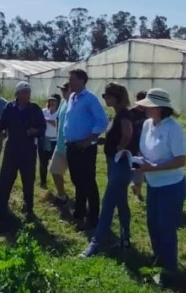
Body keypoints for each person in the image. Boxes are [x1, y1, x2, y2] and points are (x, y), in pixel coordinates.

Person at [136, 88, 186, 274]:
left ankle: (170, 267)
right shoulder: (147, 124)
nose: (146, 109)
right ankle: (158, 256)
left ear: (160, 108)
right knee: (153, 222)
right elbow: (143, 149)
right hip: (153, 183)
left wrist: (154, 168)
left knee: (166, 225)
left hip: (171, 185)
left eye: (149, 106)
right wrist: (140, 163)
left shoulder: (174, 129)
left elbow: (181, 160)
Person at [81, 83, 136, 257]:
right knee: (121, 203)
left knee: (108, 204)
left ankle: (95, 244)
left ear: (116, 98)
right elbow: (119, 135)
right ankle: (125, 240)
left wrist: (120, 149)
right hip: (116, 163)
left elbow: (127, 134)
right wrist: (105, 142)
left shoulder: (124, 115)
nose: (104, 99)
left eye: (107, 96)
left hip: (119, 164)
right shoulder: (118, 114)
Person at [0, 81, 46, 220]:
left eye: (29, 92)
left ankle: (28, 208)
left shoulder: (35, 108)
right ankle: (0, 209)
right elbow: (2, 124)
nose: (28, 94)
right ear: (17, 94)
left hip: (28, 151)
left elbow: (42, 128)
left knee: (28, 180)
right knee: (5, 179)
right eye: (25, 92)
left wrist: (35, 131)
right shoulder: (10, 107)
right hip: (12, 149)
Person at [61, 69, 109, 229]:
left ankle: (93, 216)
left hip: (84, 148)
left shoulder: (89, 99)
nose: (70, 82)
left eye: (73, 79)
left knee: (88, 181)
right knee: (77, 180)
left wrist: (89, 139)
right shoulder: (72, 97)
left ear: (82, 81)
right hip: (72, 146)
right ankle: (80, 212)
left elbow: (102, 120)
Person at [49, 82, 71, 203]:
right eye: (62, 89)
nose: (63, 92)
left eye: (65, 89)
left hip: (72, 146)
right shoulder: (63, 102)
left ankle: (81, 200)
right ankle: (62, 195)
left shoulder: (76, 104)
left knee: (77, 177)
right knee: (54, 170)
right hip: (60, 145)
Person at [38, 94, 61, 189]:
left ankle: (58, 183)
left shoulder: (59, 113)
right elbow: (39, 121)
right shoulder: (44, 111)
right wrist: (49, 121)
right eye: (50, 101)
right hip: (44, 140)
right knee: (43, 162)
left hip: (54, 141)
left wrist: (46, 120)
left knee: (55, 164)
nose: (52, 103)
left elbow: (57, 124)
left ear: (58, 102)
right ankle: (43, 182)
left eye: (54, 101)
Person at [129, 91, 148, 201]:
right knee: (138, 170)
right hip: (134, 146)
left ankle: (135, 187)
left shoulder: (148, 113)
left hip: (147, 146)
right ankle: (138, 194)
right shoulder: (131, 113)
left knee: (144, 170)